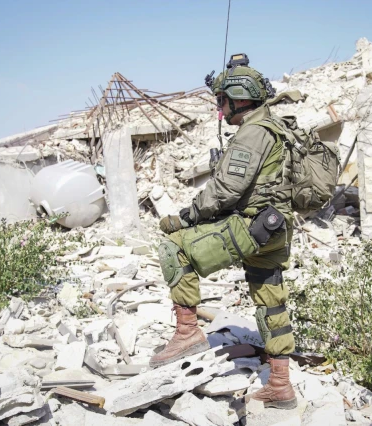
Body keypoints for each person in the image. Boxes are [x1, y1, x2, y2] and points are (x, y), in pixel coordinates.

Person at [153, 58, 298, 410]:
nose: (220, 108)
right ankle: (280, 385)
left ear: (239, 98)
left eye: (222, 100)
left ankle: (187, 333)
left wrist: (186, 217)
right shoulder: (276, 127)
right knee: (271, 299)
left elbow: (226, 190)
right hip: (275, 227)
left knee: (174, 246)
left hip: (251, 226)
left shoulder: (253, 132)